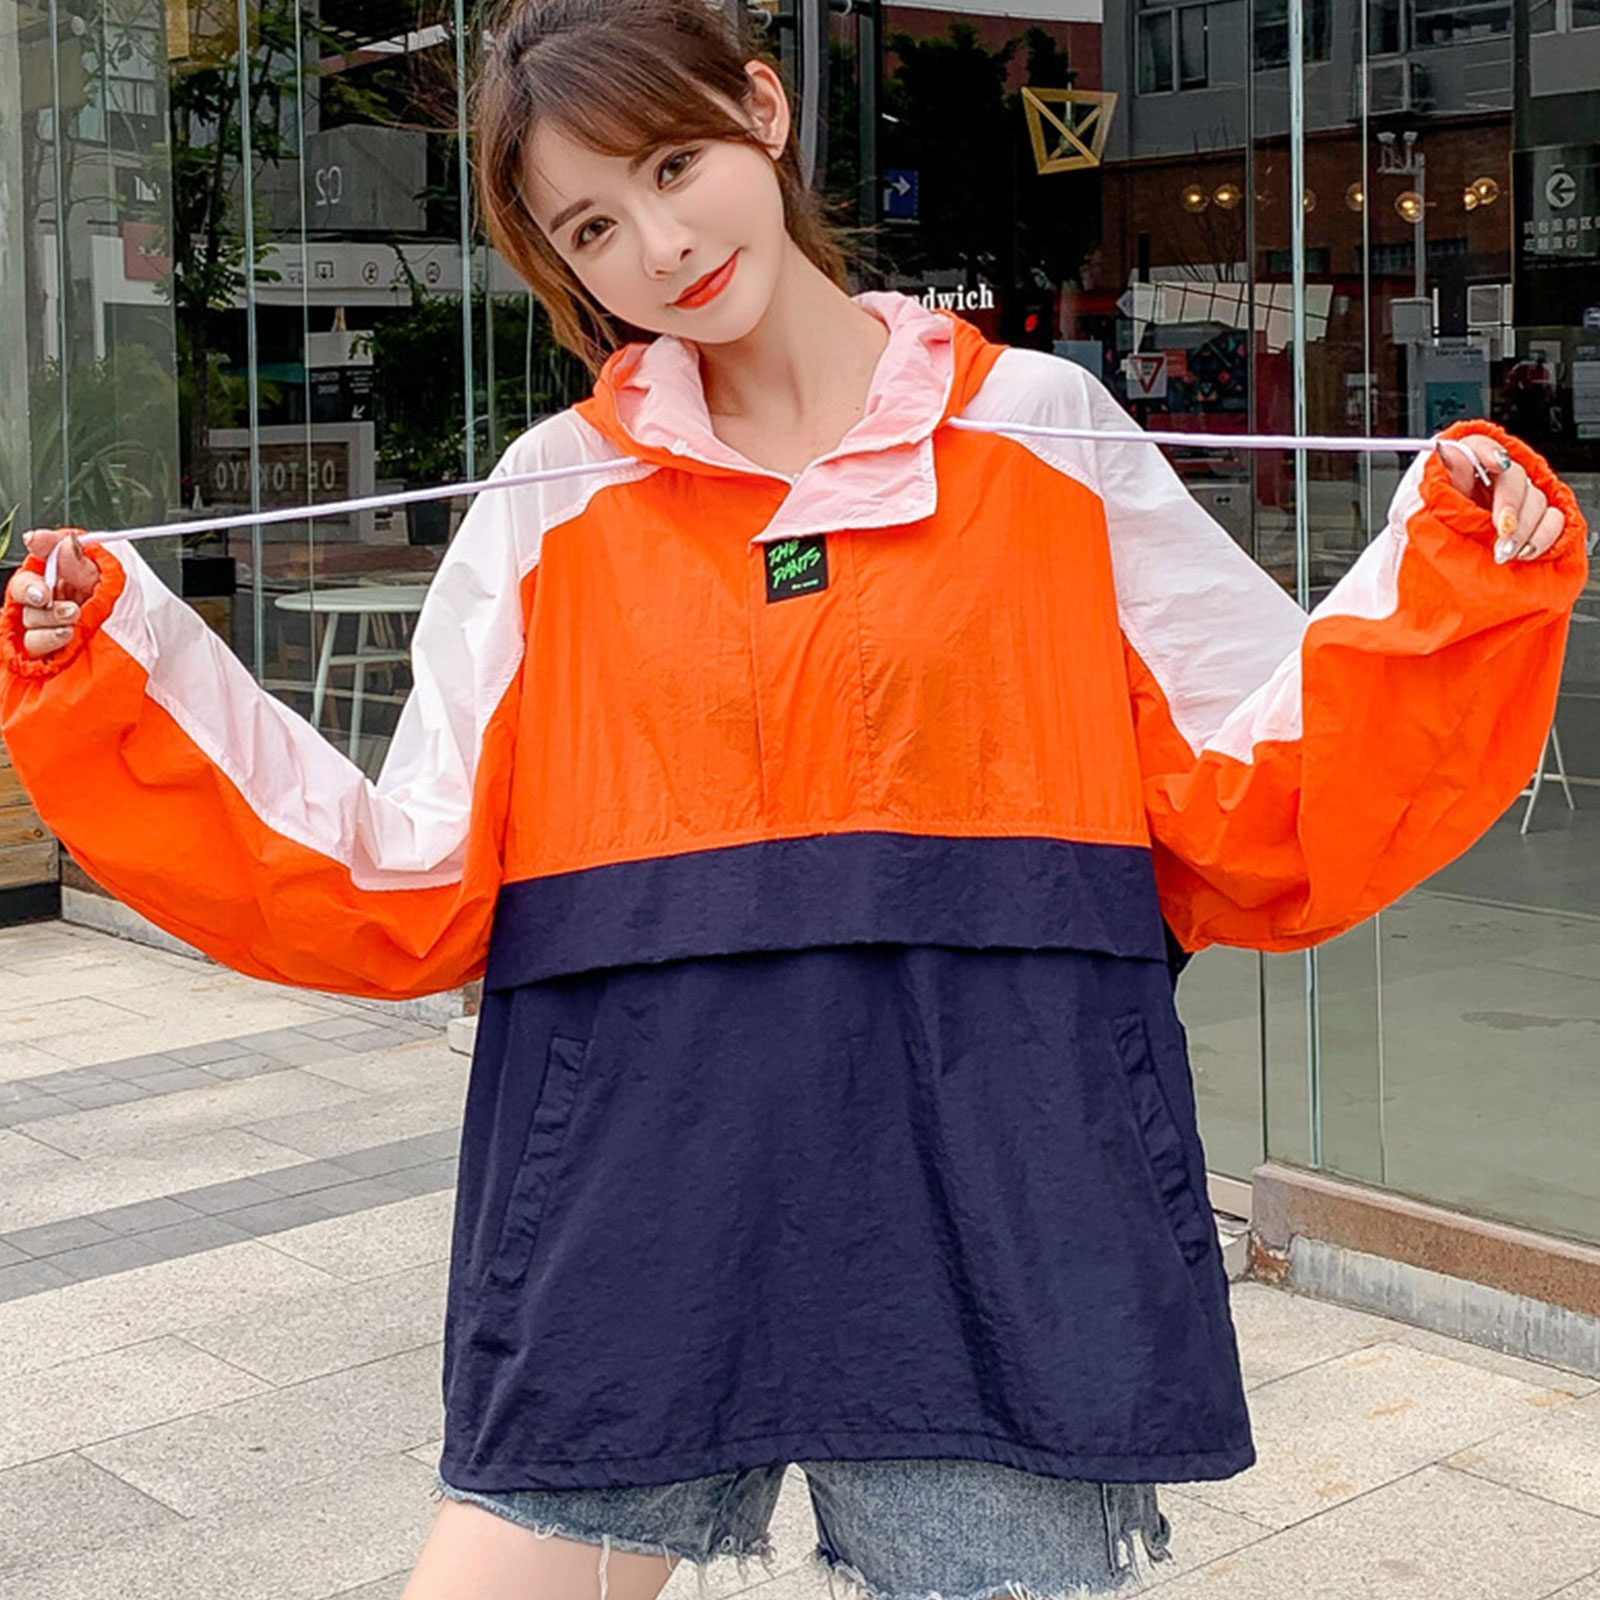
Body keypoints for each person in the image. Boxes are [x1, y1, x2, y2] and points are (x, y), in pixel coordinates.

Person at [1, 1, 1588, 1596]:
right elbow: (399, 878)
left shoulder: (1038, 431)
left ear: (761, 109)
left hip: (997, 1173)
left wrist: (1449, 573)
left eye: (672, 163)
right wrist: (122, 673)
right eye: (592, 226)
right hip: (640, 1180)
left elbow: (1257, 784)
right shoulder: (552, 496)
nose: (661, 245)